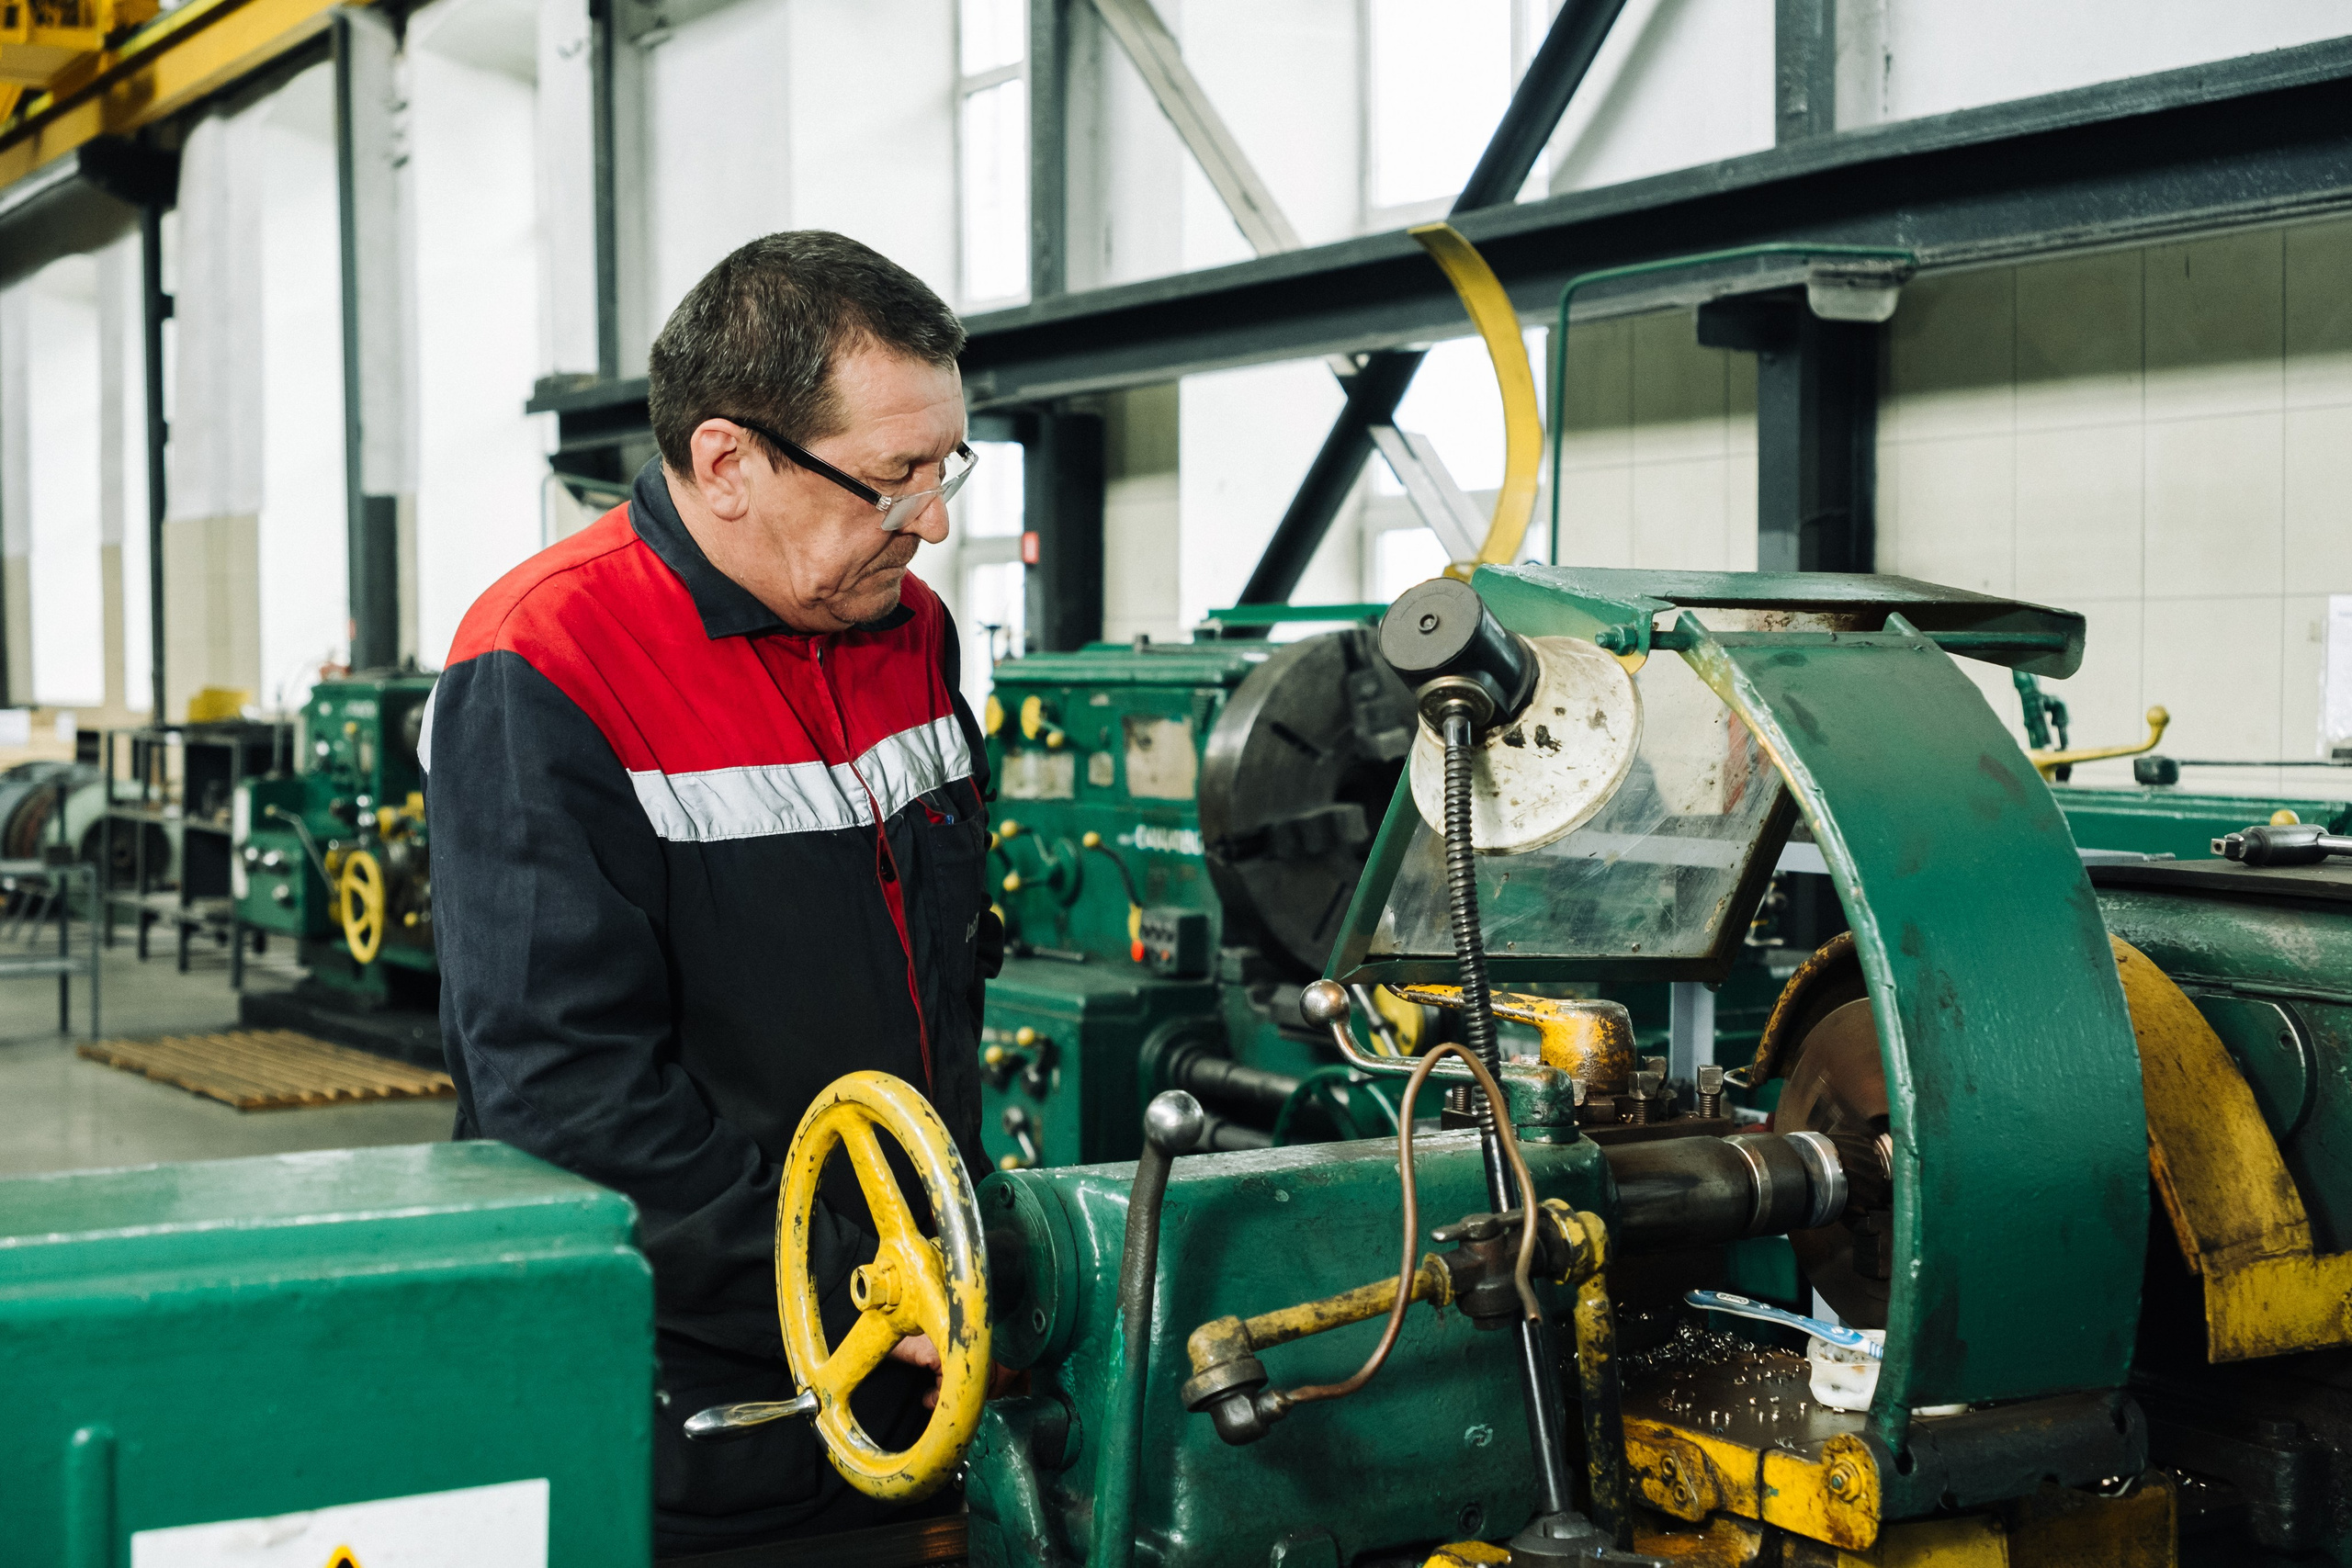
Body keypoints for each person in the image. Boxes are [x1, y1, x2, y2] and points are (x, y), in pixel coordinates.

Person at [423, 231, 997, 1558]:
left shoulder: (908, 630)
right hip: (693, 1404)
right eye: (894, 476)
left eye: (947, 463)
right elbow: (564, 1095)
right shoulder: (546, 663)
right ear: (728, 462)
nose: (935, 519)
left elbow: (942, 973)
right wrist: (857, 1287)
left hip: (912, 1347)